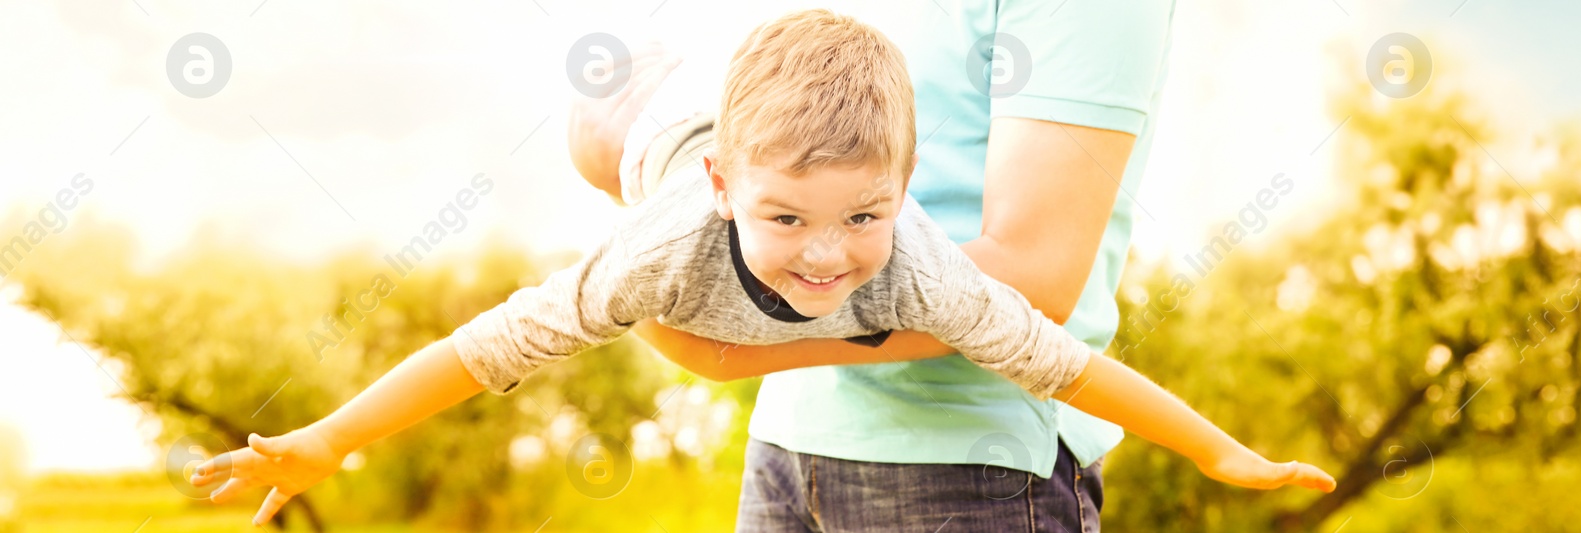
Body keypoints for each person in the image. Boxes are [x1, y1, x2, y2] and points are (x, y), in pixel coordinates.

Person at [189, 9, 1332, 527]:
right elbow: (489, 345)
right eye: (791, 221)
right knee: (604, 110)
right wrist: (334, 433)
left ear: (897, 190)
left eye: (863, 218)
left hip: (956, 471)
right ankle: (656, 106)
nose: (828, 260)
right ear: (729, 192)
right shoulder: (662, 239)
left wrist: (1220, 447)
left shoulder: (910, 268)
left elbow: (1064, 359)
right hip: (681, 139)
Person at [626, 1, 1186, 530]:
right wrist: (633, 150)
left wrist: (738, 345)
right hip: (787, 443)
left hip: (973, 464)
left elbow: (1033, 271)